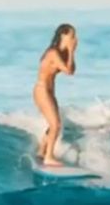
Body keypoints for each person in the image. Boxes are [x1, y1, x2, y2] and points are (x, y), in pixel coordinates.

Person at [33, 23, 77, 166]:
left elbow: (72, 69)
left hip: (50, 91)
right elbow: (68, 71)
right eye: (72, 36)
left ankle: (41, 151)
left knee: (54, 124)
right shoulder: (53, 53)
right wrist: (71, 51)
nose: (75, 39)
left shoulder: (62, 52)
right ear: (63, 35)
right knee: (55, 125)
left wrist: (71, 52)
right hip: (42, 90)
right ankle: (48, 157)